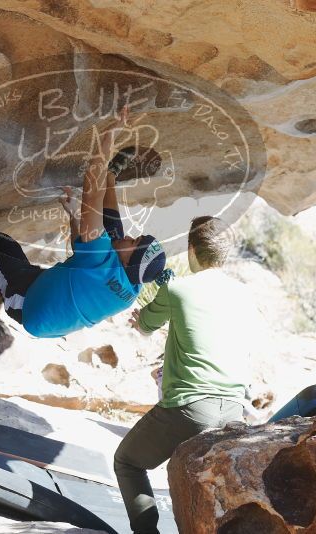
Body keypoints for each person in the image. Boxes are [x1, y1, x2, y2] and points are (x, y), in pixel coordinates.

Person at [0, 108, 168, 338]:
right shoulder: (132, 286)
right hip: (52, 294)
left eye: (135, 241)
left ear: (131, 263)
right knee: (114, 236)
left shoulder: (102, 264)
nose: (132, 236)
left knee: (0, 245)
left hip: (29, 305)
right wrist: (73, 216)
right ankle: (111, 175)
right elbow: (83, 254)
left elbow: (92, 193)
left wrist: (110, 134)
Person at [114, 216, 260, 534]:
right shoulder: (246, 296)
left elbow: (143, 326)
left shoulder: (177, 287)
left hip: (191, 408)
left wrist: (143, 316)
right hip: (235, 411)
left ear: (191, 250)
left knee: (128, 462)